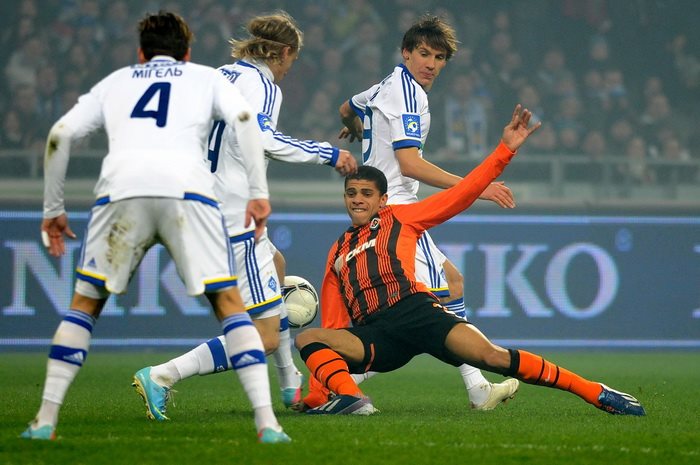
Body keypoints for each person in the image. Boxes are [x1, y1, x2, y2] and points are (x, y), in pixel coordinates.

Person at [21, 11, 290, 444]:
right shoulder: (205, 78)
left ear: (141, 53)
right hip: (188, 195)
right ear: (187, 52)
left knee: (84, 306)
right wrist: (258, 192)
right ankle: (267, 425)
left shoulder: (117, 82)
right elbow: (245, 124)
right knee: (230, 306)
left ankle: (44, 420)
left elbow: (59, 135)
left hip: (122, 194)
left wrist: (53, 209)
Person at [295, 105, 646, 417]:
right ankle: (353, 399)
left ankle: (594, 391)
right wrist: (316, 394)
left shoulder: (400, 218)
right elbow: (336, 321)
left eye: (366, 194)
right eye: (351, 193)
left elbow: (461, 194)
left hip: (418, 314)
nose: (357, 200)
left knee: (494, 357)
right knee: (309, 338)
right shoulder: (337, 250)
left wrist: (504, 150)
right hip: (377, 334)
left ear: (382, 200)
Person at [132, 11, 357, 421]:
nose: (289, 69)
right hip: (233, 219)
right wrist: (328, 154)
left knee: (277, 264)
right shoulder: (263, 85)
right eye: (292, 60)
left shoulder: (219, 76)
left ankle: (289, 382)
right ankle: (163, 375)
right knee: (266, 337)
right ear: (284, 53)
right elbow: (263, 138)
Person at [304, 15, 518, 411]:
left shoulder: (386, 85)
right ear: (406, 53)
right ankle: (337, 383)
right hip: (396, 211)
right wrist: (475, 186)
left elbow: (345, 107)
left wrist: (355, 125)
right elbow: (410, 164)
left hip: (390, 209)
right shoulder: (408, 95)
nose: (431, 64)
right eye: (423, 54)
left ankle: (476, 388)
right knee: (419, 316)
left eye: (439, 57)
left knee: (450, 284)